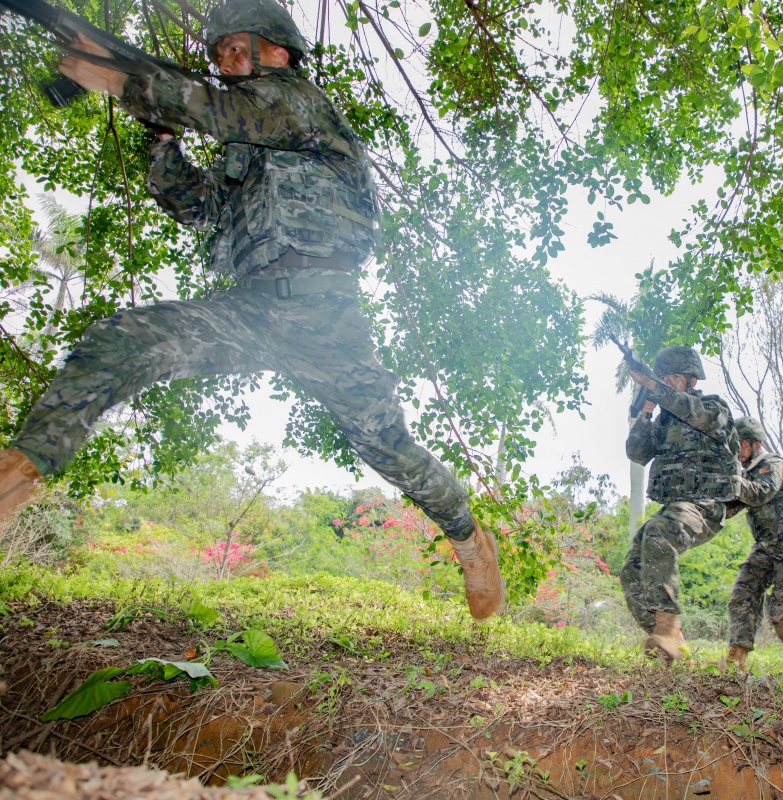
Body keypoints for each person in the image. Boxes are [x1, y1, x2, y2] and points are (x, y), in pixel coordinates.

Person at [0, 0, 503, 620]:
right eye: (220, 55)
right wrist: (161, 138)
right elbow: (196, 208)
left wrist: (124, 80)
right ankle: (23, 467)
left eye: (240, 48)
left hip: (326, 318)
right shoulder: (244, 151)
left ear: (280, 51)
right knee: (125, 336)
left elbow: (215, 110)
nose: (228, 62)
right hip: (251, 311)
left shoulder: (299, 103)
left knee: (386, 445)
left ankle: (467, 537)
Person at [622, 345, 739, 663]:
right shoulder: (661, 421)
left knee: (659, 531)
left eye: (675, 378)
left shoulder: (712, 407)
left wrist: (653, 386)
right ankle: (672, 640)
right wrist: (646, 411)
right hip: (674, 507)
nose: (668, 383)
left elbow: (693, 413)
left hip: (705, 506)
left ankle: (666, 628)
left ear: (691, 380)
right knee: (631, 571)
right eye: (665, 378)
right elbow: (637, 453)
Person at [723, 417, 783, 673]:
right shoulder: (748, 474)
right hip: (767, 545)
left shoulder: (773, 465)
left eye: (737, 445)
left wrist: (731, 480)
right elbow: (730, 507)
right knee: (741, 595)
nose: (734, 451)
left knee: (781, 611)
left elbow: (759, 493)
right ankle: (737, 658)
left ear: (751, 444)